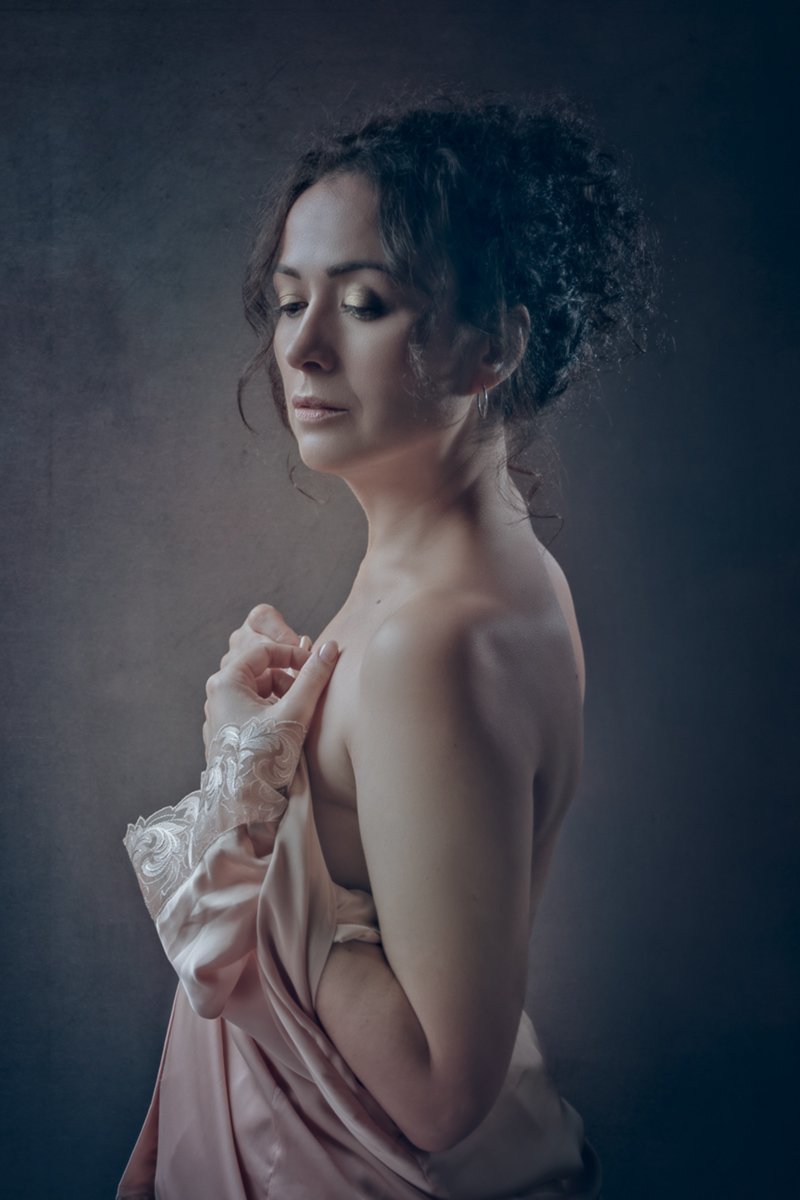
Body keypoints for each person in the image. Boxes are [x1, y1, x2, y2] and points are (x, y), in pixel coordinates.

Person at [118, 95, 651, 1199]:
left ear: (492, 347)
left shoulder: (432, 641)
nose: (302, 346)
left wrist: (244, 812)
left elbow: (439, 1094)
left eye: (363, 303)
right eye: (288, 300)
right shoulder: (488, 569)